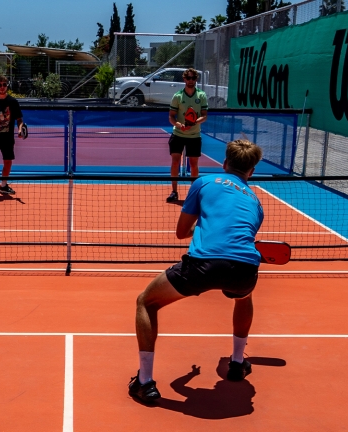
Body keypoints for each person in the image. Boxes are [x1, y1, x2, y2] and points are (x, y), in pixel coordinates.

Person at [129, 139, 264, 404]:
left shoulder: (203, 182)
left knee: (146, 302)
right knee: (243, 297)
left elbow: (181, 233)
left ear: (224, 164)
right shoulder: (256, 202)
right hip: (246, 269)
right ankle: (237, 362)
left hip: (204, 265)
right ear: (252, 171)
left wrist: (199, 228)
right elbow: (238, 238)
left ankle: (144, 382)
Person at [166, 68, 208, 202]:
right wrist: (179, 125)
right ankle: (174, 191)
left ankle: (193, 193)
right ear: (184, 79)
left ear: (196, 79)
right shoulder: (177, 96)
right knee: (175, 162)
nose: (190, 81)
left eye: (193, 78)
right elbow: (171, 117)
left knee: (194, 164)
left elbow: (204, 116)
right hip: (178, 134)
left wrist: (194, 122)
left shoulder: (201, 95)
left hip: (194, 135)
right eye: (188, 78)